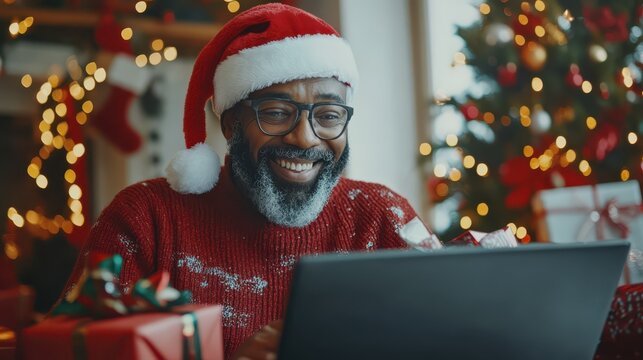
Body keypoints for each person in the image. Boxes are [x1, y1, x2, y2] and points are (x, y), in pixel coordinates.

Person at [60, 3, 440, 359]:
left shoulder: (383, 219)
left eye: (328, 115)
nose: (305, 138)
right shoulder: (146, 220)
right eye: (276, 113)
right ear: (229, 123)